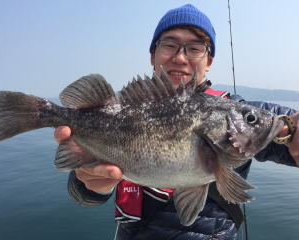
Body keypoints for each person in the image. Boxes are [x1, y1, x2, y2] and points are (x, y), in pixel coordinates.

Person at [55, 4, 299, 240]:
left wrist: (292, 129)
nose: (180, 58)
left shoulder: (232, 110)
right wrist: (91, 184)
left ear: (209, 61)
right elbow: (82, 196)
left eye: (194, 48)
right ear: (153, 55)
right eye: (169, 45)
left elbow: (276, 120)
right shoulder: (117, 109)